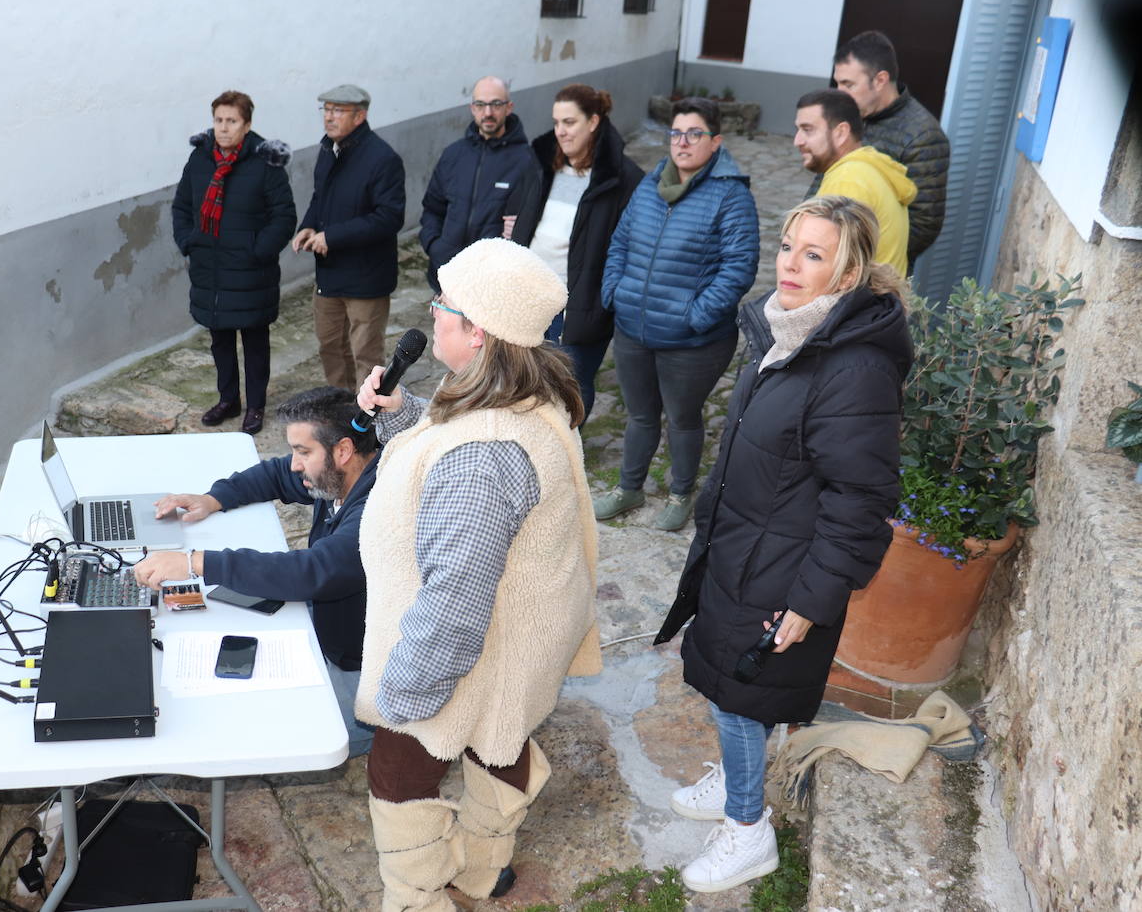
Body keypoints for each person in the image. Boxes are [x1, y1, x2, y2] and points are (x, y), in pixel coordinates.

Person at [654, 195, 911, 893]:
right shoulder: (787, 330)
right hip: (744, 544)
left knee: (740, 692)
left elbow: (860, 499)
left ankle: (747, 829)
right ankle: (736, 776)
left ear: (849, 272)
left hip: (784, 565)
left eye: (814, 254)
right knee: (725, 675)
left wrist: (811, 597)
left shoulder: (854, 367)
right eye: (789, 246)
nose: (791, 264)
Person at [354, 238, 601, 910]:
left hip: (476, 645)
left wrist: (406, 695)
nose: (432, 314)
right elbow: (449, 449)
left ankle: (418, 899)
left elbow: (457, 595)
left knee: (399, 775)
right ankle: (485, 865)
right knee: (500, 737)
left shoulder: (485, 458)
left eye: (445, 305)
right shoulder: (512, 392)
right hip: (517, 638)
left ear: (481, 333)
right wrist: (402, 417)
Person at [132, 386, 380, 757]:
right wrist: (215, 498)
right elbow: (277, 473)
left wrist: (193, 562)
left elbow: (313, 572)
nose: (295, 464)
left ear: (343, 451)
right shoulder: (335, 473)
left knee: (257, 728)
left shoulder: (378, 507)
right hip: (333, 626)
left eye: (303, 452)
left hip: (361, 671)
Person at [595, 97, 760, 532]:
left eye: (694, 134)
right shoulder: (650, 186)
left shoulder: (731, 195)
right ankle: (628, 488)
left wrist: (695, 315)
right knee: (640, 415)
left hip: (692, 340)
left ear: (716, 141)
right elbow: (620, 244)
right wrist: (616, 292)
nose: (682, 142)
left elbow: (739, 268)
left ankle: (680, 493)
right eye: (675, 133)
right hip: (633, 327)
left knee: (683, 419)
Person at [507, 84, 644, 417]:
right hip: (531, 297)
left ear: (593, 121)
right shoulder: (544, 164)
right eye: (556, 122)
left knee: (571, 392)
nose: (560, 131)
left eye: (569, 122)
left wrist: (606, 298)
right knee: (523, 383)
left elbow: (630, 249)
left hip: (581, 305)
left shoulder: (624, 179)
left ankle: (569, 457)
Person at [171, 90, 297, 434]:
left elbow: (284, 216)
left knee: (255, 342)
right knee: (220, 340)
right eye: (219, 120)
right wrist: (189, 242)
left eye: (232, 121)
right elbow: (182, 206)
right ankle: (229, 399)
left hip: (250, 271)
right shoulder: (200, 159)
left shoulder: (265, 163)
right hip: (209, 269)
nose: (223, 128)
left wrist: (259, 250)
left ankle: (255, 405)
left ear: (247, 124)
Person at [292, 84, 406, 391]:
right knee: (330, 347)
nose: (329, 118)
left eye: (337, 111)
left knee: (366, 355)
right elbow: (320, 198)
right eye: (326, 110)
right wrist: (308, 226)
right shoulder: (329, 149)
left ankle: (366, 422)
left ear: (360, 116)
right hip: (329, 274)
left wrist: (333, 236)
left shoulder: (383, 159)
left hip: (366, 278)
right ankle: (339, 410)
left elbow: (389, 218)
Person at [831, 30, 950, 266]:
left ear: (880, 80)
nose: (839, 93)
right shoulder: (852, 115)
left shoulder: (924, 135)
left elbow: (923, 225)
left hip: (868, 273)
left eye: (849, 84)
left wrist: (860, 260)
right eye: (837, 83)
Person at [419, 76, 535, 291]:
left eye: (496, 104)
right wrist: (435, 246)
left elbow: (529, 224)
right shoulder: (453, 154)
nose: (488, 112)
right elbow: (432, 209)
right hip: (447, 278)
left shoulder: (527, 161)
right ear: (472, 108)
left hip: (492, 285)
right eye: (481, 105)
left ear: (509, 107)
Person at [795, 89, 916, 276]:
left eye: (808, 130)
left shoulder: (848, 180)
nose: (797, 141)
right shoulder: (869, 167)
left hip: (859, 302)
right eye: (798, 130)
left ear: (841, 133)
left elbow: (828, 272)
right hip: (878, 301)